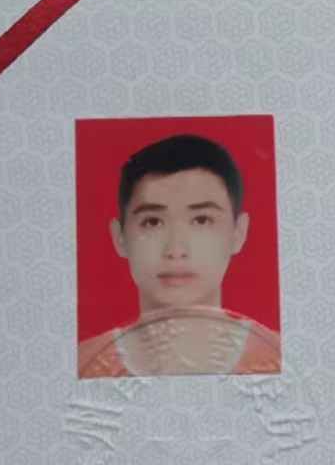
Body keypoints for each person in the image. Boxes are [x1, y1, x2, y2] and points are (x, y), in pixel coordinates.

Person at [77, 133, 281, 377]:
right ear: (119, 236)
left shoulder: (281, 358)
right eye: (153, 222)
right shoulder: (82, 364)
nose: (176, 250)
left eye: (202, 220)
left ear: (239, 232)